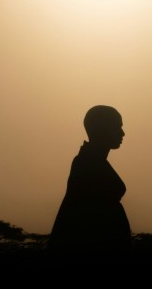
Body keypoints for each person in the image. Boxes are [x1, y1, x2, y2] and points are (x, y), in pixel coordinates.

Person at [48, 105, 131, 263]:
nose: (122, 133)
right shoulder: (86, 163)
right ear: (102, 128)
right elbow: (81, 216)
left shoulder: (93, 161)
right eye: (117, 127)